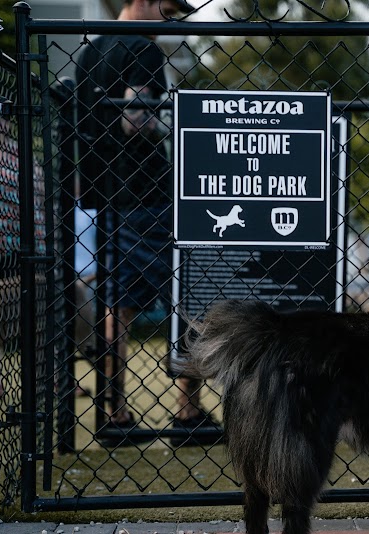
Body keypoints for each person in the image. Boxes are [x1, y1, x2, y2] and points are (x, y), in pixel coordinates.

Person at [75, 0, 215, 447]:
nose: (172, 21)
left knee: (119, 304)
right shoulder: (144, 49)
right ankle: (187, 411)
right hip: (149, 192)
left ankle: (115, 413)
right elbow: (136, 119)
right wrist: (168, 122)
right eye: (169, 9)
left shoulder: (91, 52)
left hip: (108, 194)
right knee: (189, 288)